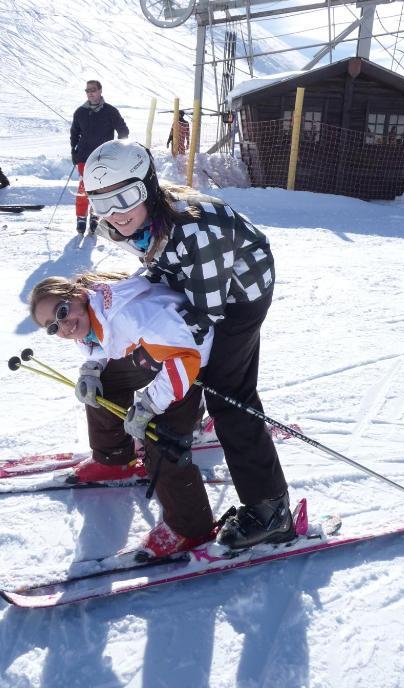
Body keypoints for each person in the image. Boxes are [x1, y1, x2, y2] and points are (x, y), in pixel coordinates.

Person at [82, 140, 294, 551]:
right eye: (101, 203)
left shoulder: (195, 232)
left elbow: (204, 320)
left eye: (124, 198)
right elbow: (150, 282)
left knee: (227, 390)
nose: (116, 215)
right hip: (189, 279)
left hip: (238, 294)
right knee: (169, 356)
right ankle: (181, 420)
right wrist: (106, 347)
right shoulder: (129, 221)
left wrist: (156, 378)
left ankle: (271, 511)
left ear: (148, 186)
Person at [29, 271, 216, 558]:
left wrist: (150, 404)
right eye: (52, 327)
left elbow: (185, 355)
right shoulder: (92, 315)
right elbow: (107, 341)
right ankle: (114, 458)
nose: (63, 326)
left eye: (62, 312)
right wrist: (94, 366)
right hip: (162, 350)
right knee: (103, 383)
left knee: (158, 431)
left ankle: (191, 527)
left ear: (78, 295)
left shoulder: (126, 315)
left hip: (195, 355)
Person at [70, 80, 129, 237]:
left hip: (103, 158)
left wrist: (117, 150)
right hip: (84, 157)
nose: (90, 93)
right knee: (84, 187)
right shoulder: (80, 112)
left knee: (100, 189)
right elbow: (74, 134)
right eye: (87, 90)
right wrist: (74, 152)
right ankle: (81, 218)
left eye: (93, 90)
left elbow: (123, 131)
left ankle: (95, 217)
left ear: (100, 91)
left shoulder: (110, 111)